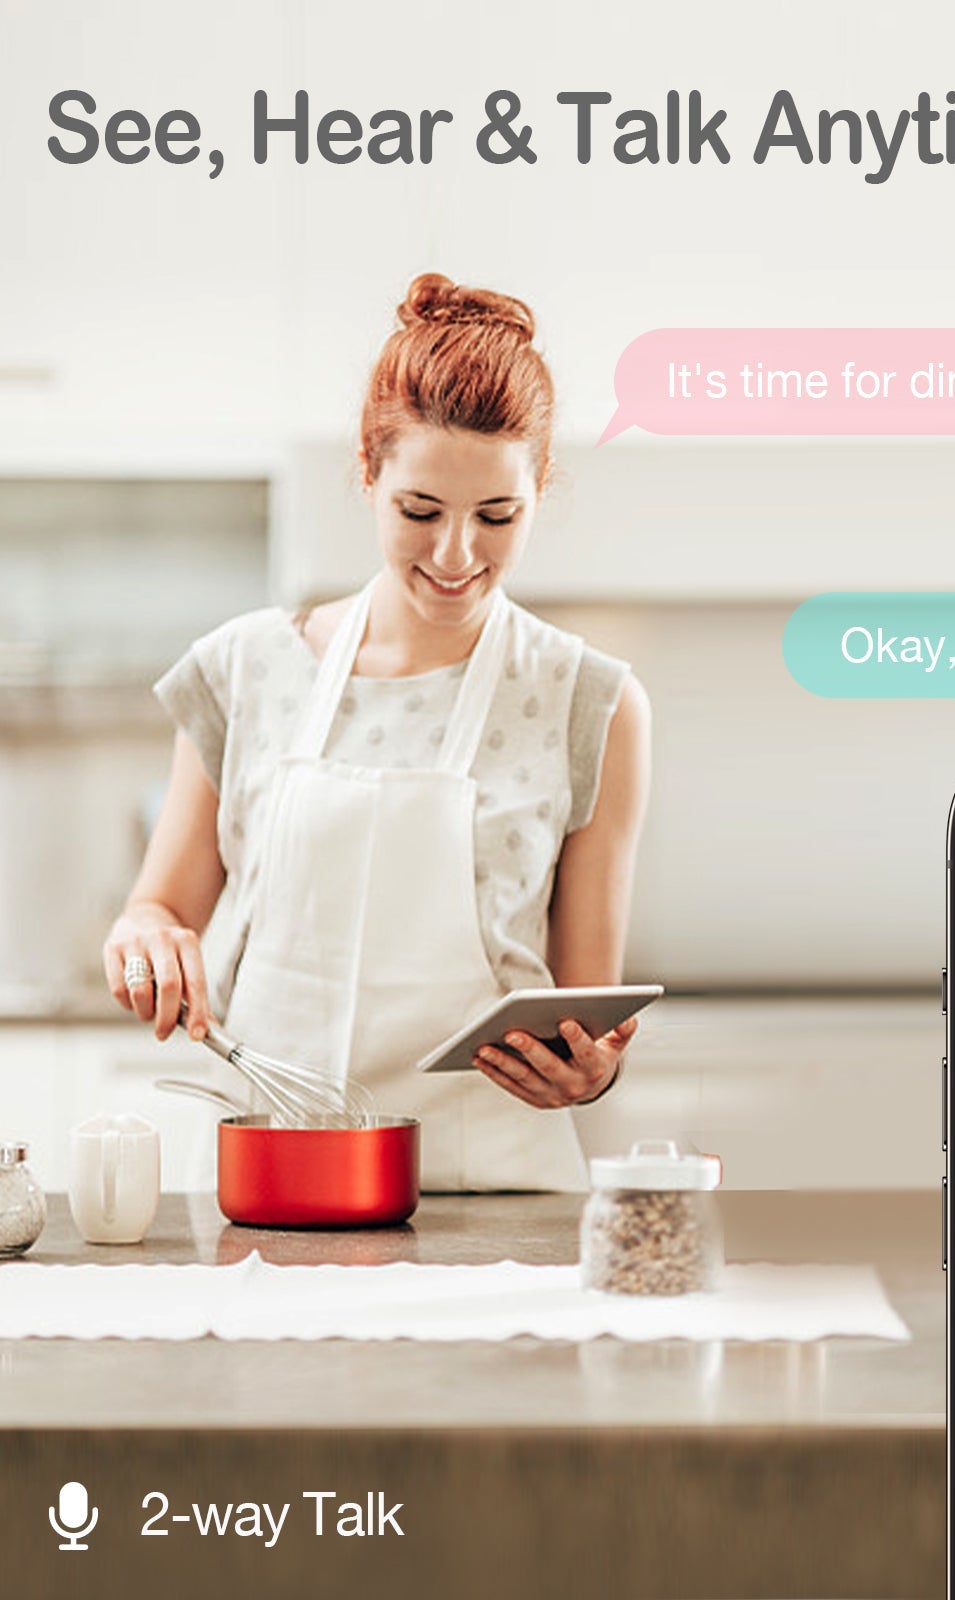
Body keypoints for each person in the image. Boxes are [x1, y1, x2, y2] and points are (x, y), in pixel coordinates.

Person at [102, 272, 651, 1192]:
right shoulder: (245, 671)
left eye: (497, 517)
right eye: (420, 511)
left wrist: (592, 1073)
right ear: (368, 475)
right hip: (270, 1182)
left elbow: (582, 1009)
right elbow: (157, 909)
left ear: (539, 492)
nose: (455, 554)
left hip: (495, 1188)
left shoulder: (589, 700)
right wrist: (144, 943)